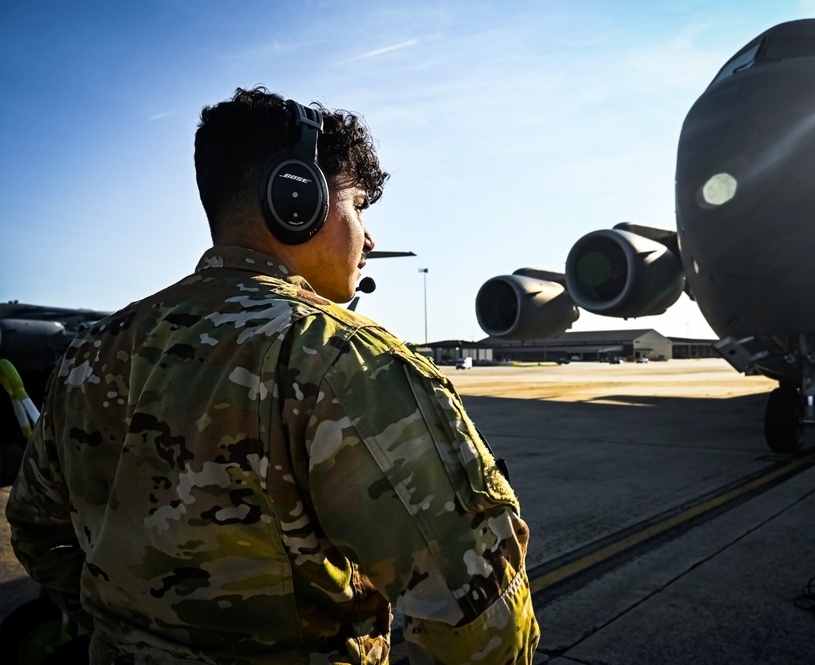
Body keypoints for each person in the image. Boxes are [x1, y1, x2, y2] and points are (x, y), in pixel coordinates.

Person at [6, 86, 540, 664]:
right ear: (296, 199)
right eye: (358, 206)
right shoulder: (344, 360)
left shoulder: (91, 353)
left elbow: (40, 533)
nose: (370, 238)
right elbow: (479, 619)